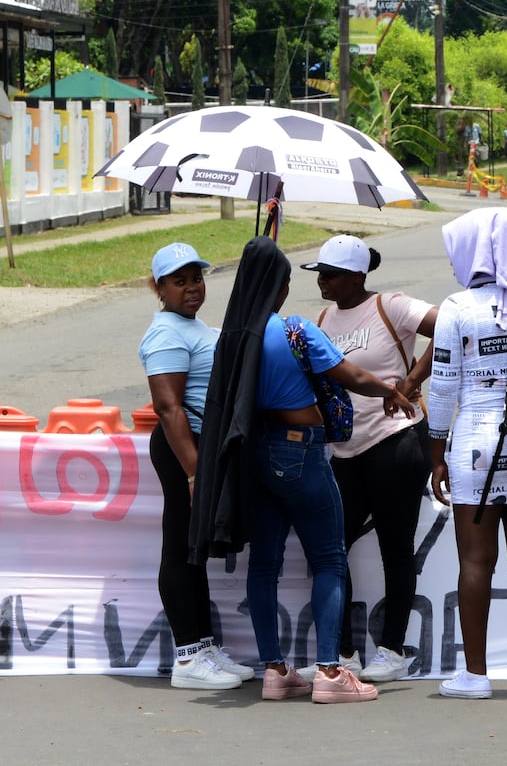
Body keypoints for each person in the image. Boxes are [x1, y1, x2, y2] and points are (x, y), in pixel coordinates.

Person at [191, 236, 416, 704]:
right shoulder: (293, 330)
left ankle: (274, 671)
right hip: (301, 451)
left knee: (265, 564)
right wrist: (390, 392)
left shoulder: (229, 337)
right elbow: (348, 375)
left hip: (257, 456)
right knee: (330, 558)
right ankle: (331, 673)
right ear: (277, 287)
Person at [427, 207, 507, 700]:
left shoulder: (458, 308)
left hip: (476, 444)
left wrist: (436, 453)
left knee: (476, 562)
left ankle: (476, 675)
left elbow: (442, 389)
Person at [303, 235, 437, 683]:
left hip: (395, 442)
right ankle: (342, 652)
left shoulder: (391, 306)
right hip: (343, 450)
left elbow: (453, 326)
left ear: (357, 276)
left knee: (395, 550)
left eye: (331, 274)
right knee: (330, 550)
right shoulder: (322, 318)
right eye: (319, 272)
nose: (321, 280)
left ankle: (392, 649)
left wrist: (414, 380)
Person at [138, 242, 255, 690]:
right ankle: (187, 657)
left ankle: (204, 647)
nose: (192, 288)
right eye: (179, 281)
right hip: (184, 449)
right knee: (181, 550)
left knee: (195, 552)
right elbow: (169, 408)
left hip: (203, 448)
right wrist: (193, 472)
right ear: (160, 287)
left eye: (197, 278)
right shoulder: (166, 333)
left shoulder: (192, 325)